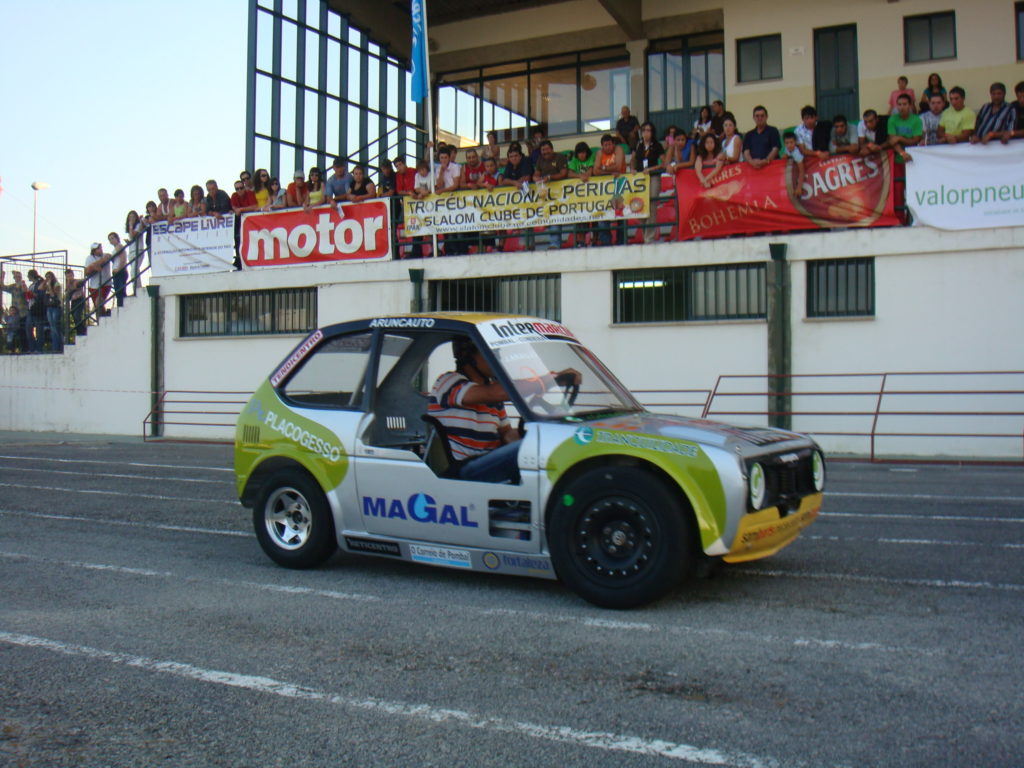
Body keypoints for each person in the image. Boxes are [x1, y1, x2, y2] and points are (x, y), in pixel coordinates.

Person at [427, 338, 522, 484]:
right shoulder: (448, 381)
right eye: (491, 352)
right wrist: (547, 381)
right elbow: (495, 393)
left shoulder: (493, 393)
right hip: (463, 469)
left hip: (489, 464)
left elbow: (507, 433)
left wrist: (529, 441)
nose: (497, 358)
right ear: (468, 356)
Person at [534, 140, 569, 250]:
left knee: (557, 216)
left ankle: (555, 243)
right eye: (543, 150)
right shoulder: (540, 160)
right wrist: (537, 179)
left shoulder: (560, 157)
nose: (545, 152)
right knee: (551, 216)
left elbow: (564, 173)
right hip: (547, 194)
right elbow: (536, 175)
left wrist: (550, 177)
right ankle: (553, 243)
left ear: (552, 149)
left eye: (547, 149)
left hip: (562, 193)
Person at [885, 93, 923, 161]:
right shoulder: (892, 119)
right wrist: (902, 153)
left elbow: (915, 141)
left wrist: (900, 138)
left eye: (904, 104)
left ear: (910, 105)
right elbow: (892, 141)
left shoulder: (917, 120)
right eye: (899, 104)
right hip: (897, 155)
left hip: (914, 154)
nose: (902, 107)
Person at [84, 243, 115, 318]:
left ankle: (104, 318)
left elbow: (108, 257)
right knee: (97, 307)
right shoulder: (89, 258)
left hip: (105, 284)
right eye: (98, 249)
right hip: (94, 285)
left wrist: (94, 265)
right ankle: (104, 318)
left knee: (98, 303)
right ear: (93, 251)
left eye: (100, 247)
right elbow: (86, 271)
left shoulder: (106, 255)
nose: (100, 249)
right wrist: (95, 265)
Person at [1, 268, 28, 352]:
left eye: (18, 276)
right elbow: (2, 287)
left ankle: (25, 348)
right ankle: (15, 349)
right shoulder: (13, 286)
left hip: (23, 312)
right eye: (15, 277)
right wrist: (2, 277)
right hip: (15, 313)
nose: (17, 278)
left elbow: (25, 291)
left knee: (24, 331)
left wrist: (22, 284)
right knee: (15, 333)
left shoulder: (23, 285)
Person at [25, 269, 48, 352]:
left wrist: (32, 294)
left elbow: (41, 295)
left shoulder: (39, 284)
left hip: (38, 308)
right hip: (30, 308)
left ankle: (39, 348)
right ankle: (32, 348)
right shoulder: (31, 285)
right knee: (28, 328)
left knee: (39, 329)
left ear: (31, 276)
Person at [125, 209, 147, 293]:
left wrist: (131, 225)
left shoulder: (138, 225)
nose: (131, 219)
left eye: (133, 217)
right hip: (131, 251)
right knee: (134, 270)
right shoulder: (131, 228)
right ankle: (137, 288)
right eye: (130, 217)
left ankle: (137, 289)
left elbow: (133, 235)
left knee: (134, 270)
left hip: (138, 250)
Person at [107, 232, 129, 308]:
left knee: (120, 292)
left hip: (120, 271)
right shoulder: (116, 248)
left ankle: (122, 307)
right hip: (118, 271)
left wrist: (119, 269)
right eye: (110, 239)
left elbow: (123, 259)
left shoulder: (119, 246)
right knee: (119, 292)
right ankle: (121, 306)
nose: (111, 240)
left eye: (113, 238)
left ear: (117, 238)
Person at [43, 271, 62, 353]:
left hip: (56, 307)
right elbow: (40, 288)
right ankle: (55, 346)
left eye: (49, 277)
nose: (48, 279)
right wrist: (44, 282)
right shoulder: (47, 286)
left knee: (55, 326)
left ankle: (58, 347)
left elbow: (54, 295)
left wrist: (50, 285)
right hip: (49, 307)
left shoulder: (56, 284)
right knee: (52, 326)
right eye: (46, 277)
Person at [65, 268, 87, 337]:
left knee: (77, 315)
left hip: (80, 300)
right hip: (73, 302)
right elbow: (67, 292)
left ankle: (83, 330)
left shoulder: (76, 281)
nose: (69, 278)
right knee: (74, 316)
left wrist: (70, 284)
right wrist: (68, 283)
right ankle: (79, 331)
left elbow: (76, 287)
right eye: (68, 276)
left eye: (70, 276)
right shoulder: (67, 284)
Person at [783, 132, 805, 197]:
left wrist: (799, 187)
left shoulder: (797, 153)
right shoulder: (787, 149)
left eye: (791, 142)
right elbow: (786, 155)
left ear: (795, 142)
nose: (789, 145)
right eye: (787, 143)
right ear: (784, 144)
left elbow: (802, 171)